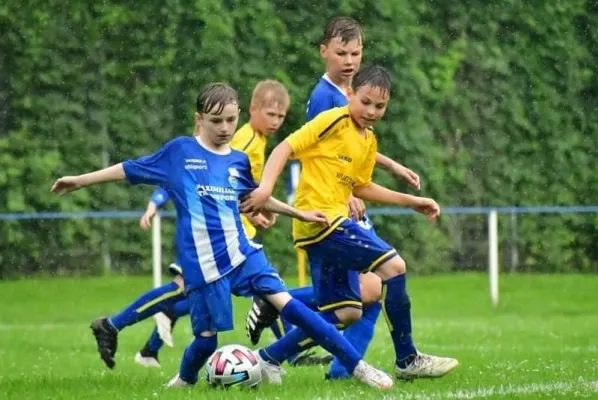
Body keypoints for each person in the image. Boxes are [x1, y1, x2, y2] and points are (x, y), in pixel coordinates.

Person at [51, 82, 393, 389]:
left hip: (244, 254)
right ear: (199, 118)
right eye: (216, 121)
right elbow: (129, 168)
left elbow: (254, 195)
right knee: (205, 343)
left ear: (238, 115)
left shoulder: (238, 160)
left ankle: (358, 367)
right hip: (203, 262)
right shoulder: (180, 152)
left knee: (291, 307)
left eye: (230, 120)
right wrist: (79, 180)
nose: (225, 128)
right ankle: (184, 380)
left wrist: (297, 212)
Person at [241, 65, 459, 380]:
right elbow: (286, 148)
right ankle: (407, 359)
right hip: (322, 221)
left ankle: (268, 359)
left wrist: (412, 202)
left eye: (379, 106)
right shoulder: (333, 120)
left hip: (325, 227)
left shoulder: (367, 140)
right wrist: (265, 189)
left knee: (346, 311)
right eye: (365, 102)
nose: (371, 111)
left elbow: (361, 187)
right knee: (394, 267)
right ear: (350, 94)